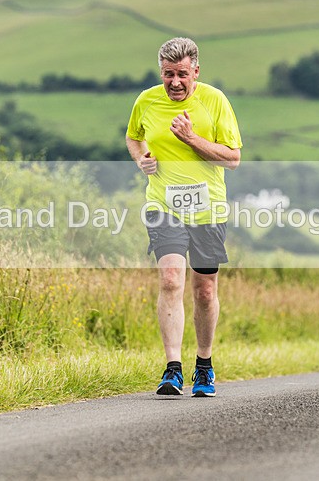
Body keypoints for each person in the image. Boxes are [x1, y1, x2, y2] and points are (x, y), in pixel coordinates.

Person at [125, 37, 242, 397]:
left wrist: (192, 139)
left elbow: (232, 158)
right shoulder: (146, 100)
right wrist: (142, 158)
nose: (174, 82)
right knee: (171, 279)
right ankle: (172, 368)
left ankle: (203, 365)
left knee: (204, 290)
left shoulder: (214, 100)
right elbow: (133, 137)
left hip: (208, 209)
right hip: (164, 205)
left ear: (196, 71)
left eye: (181, 74)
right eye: (167, 74)